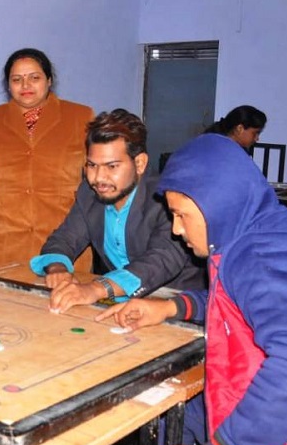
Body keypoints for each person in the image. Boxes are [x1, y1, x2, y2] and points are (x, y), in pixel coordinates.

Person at [97, 133, 287, 445]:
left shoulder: (255, 254)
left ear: (214, 203)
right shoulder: (273, 230)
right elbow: (243, 298)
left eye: (181, 215)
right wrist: (173, 306)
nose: (176, 229)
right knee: (183, 414)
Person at [30, 109, 205, 313]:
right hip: (119, 302)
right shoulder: (89, 193)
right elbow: (64, 239)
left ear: (139, 164)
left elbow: (160, 261)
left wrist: (96, 289)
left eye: (112, 166)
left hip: (175, 304)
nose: (99, 178)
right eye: (92, 165)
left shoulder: (167, 199)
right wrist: (58, 270)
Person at [0, 48, 94, 274]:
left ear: (49, 81)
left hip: (65, 247)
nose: (25, 85)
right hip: (3, 246)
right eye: (17, 79)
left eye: (34, 78)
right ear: (8, 85)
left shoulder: (80, 117)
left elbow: (96, 183)